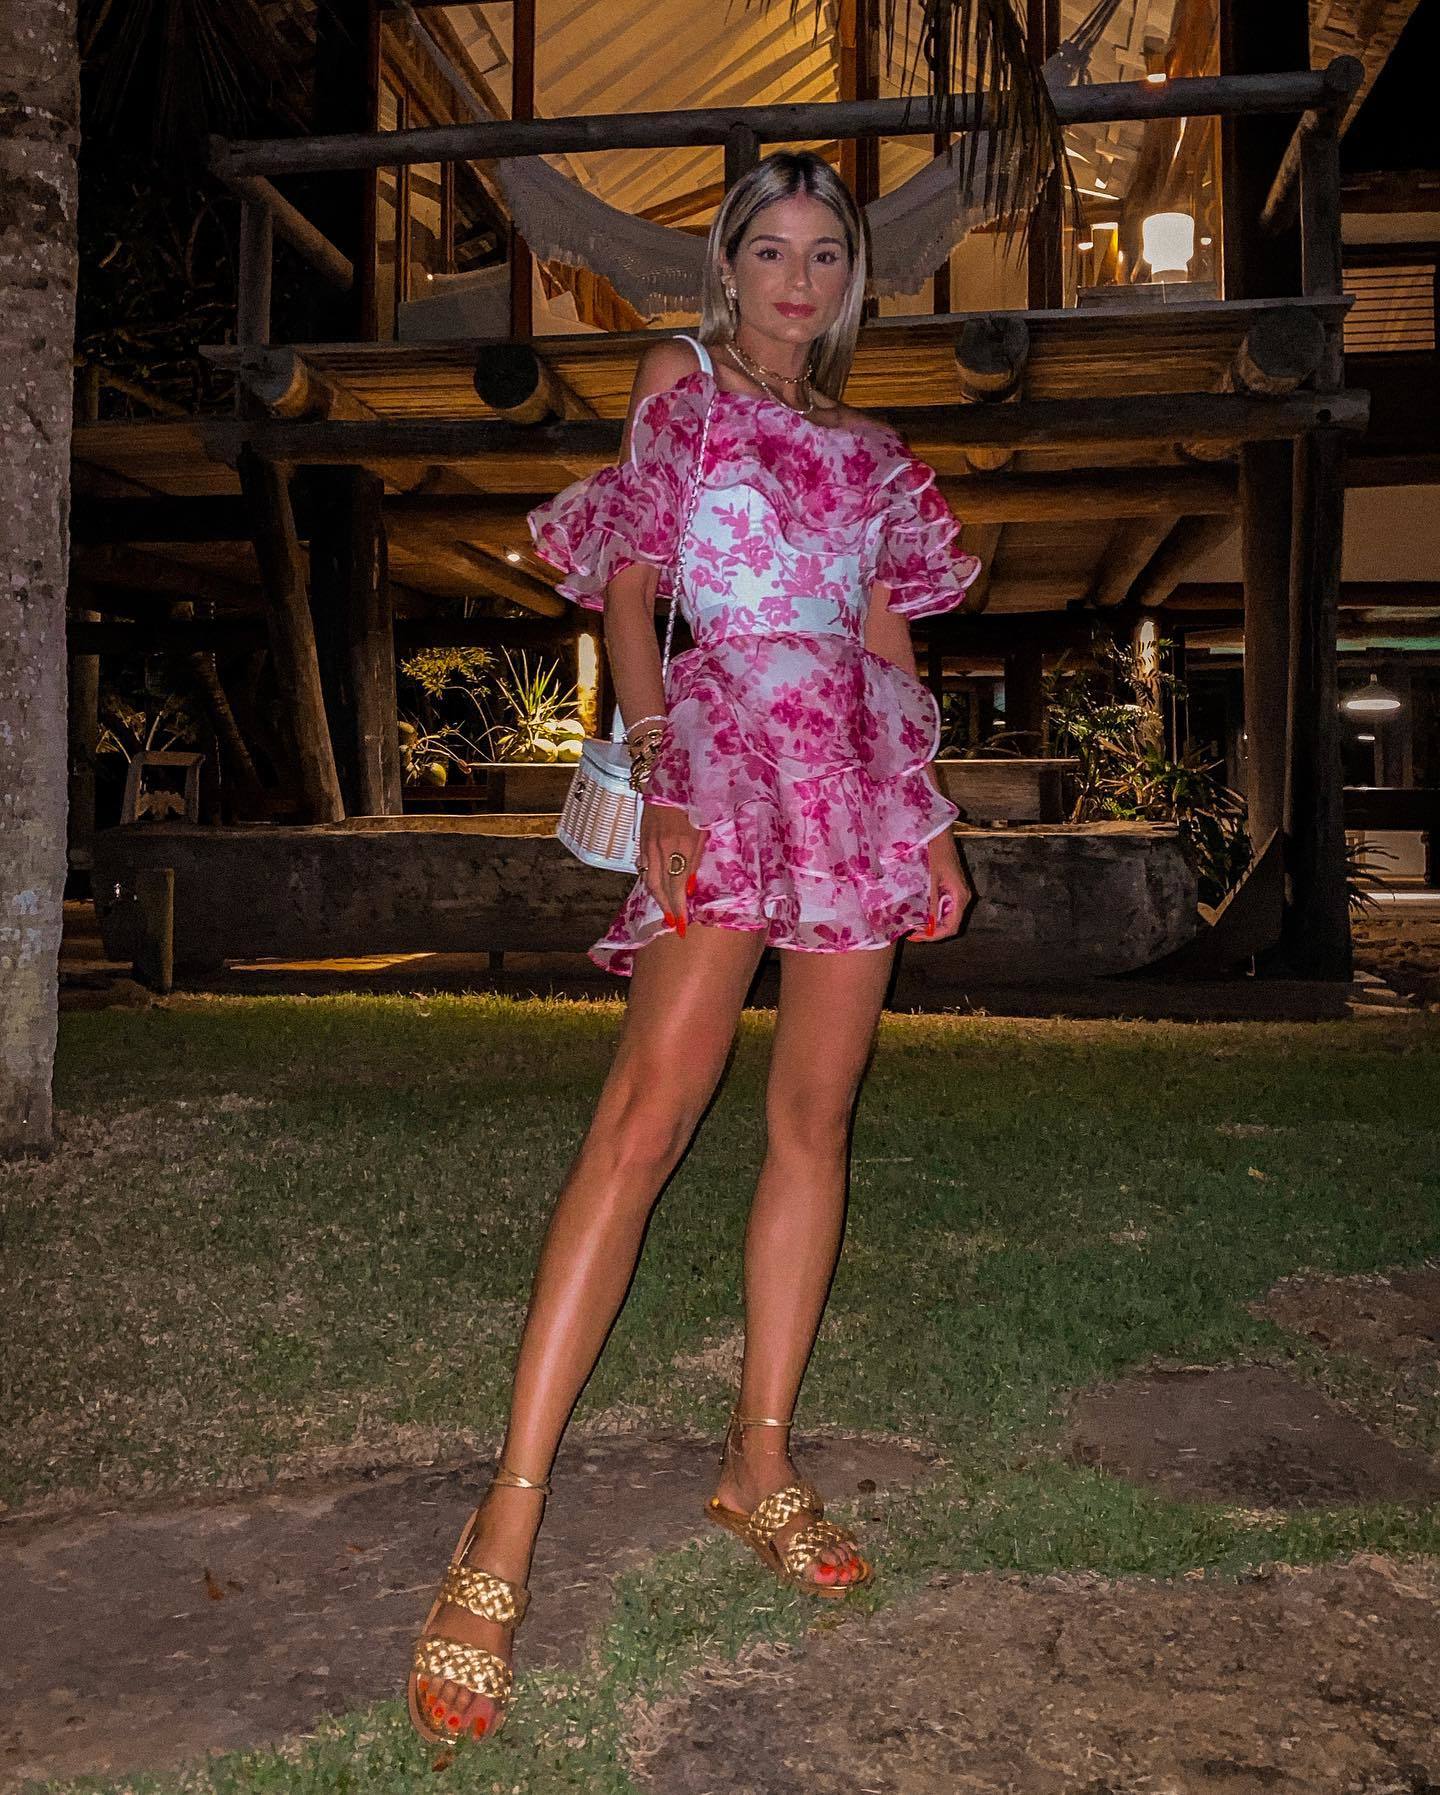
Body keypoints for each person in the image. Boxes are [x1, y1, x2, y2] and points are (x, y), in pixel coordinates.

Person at [407, 148, 981, 1746]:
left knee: (816, 1118)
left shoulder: (874, 451)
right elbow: (632, 587)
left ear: (852, 283)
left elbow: (884, 634)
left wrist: (928, 816)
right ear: (726, 270)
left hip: (853, 776)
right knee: (646, 1119)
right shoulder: (684, 385)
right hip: (720, 755)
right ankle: (505, 1517)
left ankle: (759, 1458)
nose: (798, 280)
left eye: (825, 256)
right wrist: (662, 768)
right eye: (771, 252)